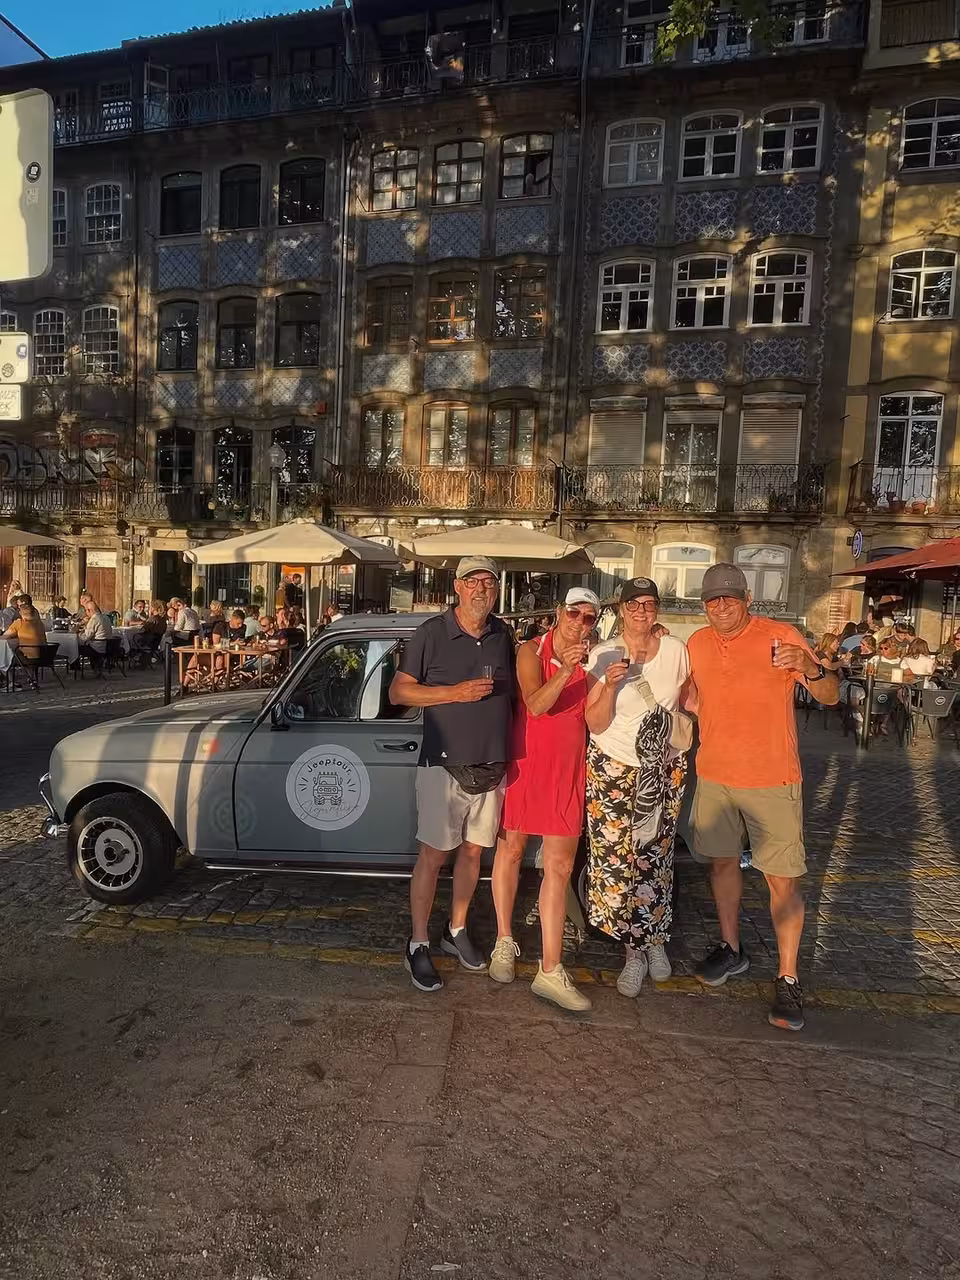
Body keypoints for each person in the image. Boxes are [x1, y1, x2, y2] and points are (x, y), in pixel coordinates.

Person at [685, 563, 839, 1033]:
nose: (721, 606)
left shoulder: (780, 636)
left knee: (782, 880)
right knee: (722, 865)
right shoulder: (697, 643)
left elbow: (830, 696)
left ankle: (788, 977)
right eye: (713, 599)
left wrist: (811, 668)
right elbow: (691, 696)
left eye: (730, 598)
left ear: (747, 599)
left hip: (773, 778)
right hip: (715, 777)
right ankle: (731, 948)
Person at [389, 556, 514, 993]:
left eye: (489, 582)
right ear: (457, 587)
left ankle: (455, 929)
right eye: (472, 581)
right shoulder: (432, 633)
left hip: (491, 764)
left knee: (474, 853)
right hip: (442, 765)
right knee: (433, 855)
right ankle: (418, 942)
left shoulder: (503, 634)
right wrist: (454, 693)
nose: (481, 589)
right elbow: (399, 691)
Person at [490, 587, 603, 1012]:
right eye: (574, 613)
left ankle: (550, 970)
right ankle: (504, 939)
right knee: (511, 851)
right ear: (559, 613)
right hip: (526, 766)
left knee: (558, 867)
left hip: (567, 773)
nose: (579, 623)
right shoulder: (530, 651)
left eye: (589, 618)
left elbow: (597, 715)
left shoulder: (594, 659)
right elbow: (536, 705)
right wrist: (565, 669)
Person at [581, 578, 692, 997]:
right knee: (618, 863)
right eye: (634, 604)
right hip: (614, 768)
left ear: (657, 609)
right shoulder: (603, 654)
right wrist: (610, 685)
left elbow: (690, 702)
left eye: (649, 603)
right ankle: (633, 953)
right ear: (621, 609)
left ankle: (655, 939)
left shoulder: (676, 651)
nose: (642, 611)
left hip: (662, 770)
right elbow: (594, 723)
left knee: (656, 857)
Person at [76, 598, 112, 670]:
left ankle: (75, 668)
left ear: (89, 610)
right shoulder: (106, 617)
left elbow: (85, 638)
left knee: (74, 646)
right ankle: (96, 665)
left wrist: (76, 633)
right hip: (107, 647)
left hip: (96, 648)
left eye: (86, 610)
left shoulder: (94, 619)